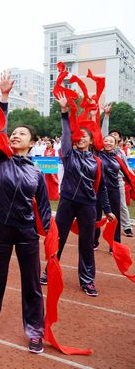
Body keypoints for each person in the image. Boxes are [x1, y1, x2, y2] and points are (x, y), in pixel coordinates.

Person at [0, 71, 50, 355]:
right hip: (0, 230)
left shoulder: (36, 173)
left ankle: (35, 330)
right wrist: (3, 98)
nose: (16, 135)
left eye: (22, 134)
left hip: (27, 232)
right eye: (14, 133)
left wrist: (49, 236)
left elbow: (44, 208)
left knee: (31, 285)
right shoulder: (1, 157)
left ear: (32, 142)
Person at [41, 92, 115, 296]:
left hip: (88, 205)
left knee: (87, 244)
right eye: (78, 135)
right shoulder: (68, 154)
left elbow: (102, 188)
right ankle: (49, 271)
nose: (81, 137)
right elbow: (66, 135)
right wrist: (64, 111)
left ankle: (87, 280)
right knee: (58, 238)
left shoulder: (97, 161)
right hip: (67, 202)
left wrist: (107, 209)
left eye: (85, 136)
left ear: (91, 140)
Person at [101, 106, 133, 237]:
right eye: (110, 135)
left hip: (117, 182)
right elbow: (104, 133)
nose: (111, 137)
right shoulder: (101, 151)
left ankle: (126, 227)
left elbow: (126, 168)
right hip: (102, 183)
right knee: (98, 207)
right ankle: (94, 236)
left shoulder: (120, 153)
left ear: (118, 140)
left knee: (121, 206)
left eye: (115, 135)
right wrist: (106, 116)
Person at [93, 134, 123, 252]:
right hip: (99, 190)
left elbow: (127, 171)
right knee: (96, 215)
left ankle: (115, 244)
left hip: (114, 190)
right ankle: (94, 241)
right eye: (106, 141)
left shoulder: (118, 157)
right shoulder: (97, 154)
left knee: (115, 217)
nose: (108, 143)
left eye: (111, 142)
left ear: (115, 144)